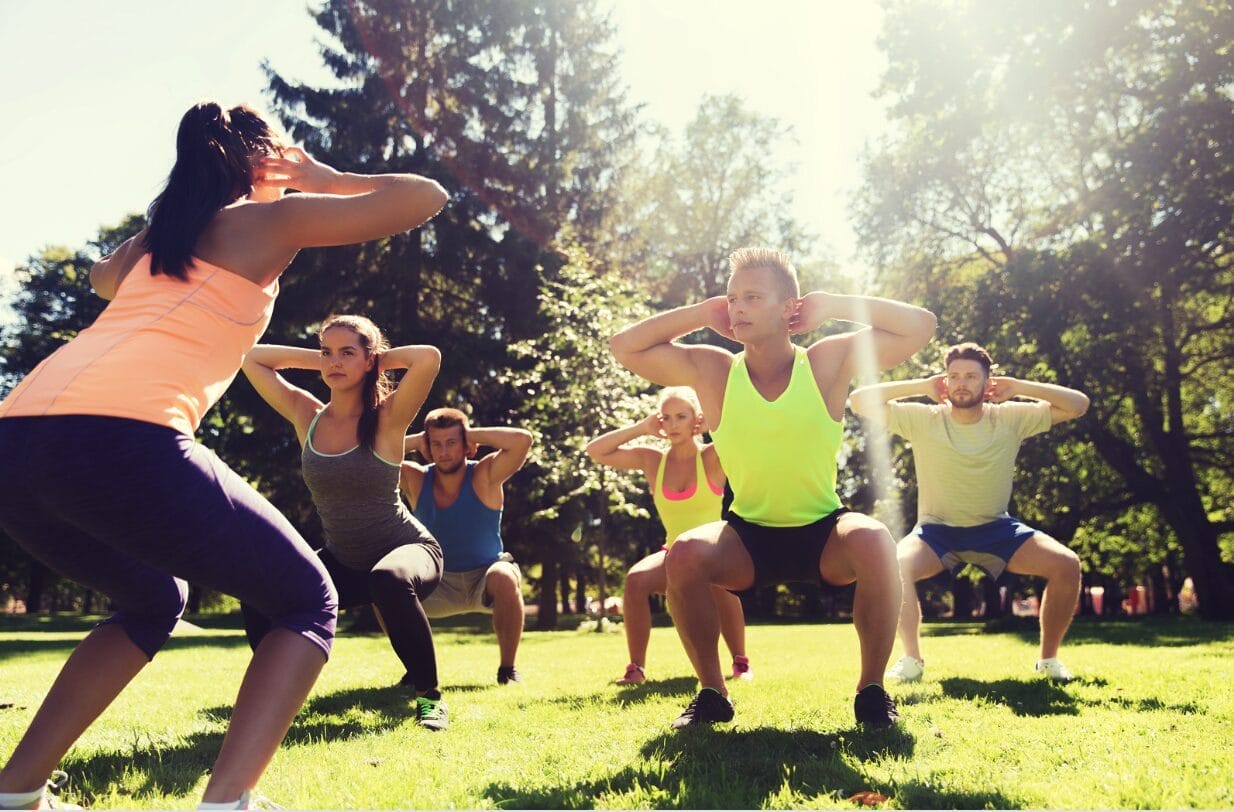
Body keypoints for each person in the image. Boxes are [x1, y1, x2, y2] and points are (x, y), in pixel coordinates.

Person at [0, 100, 447, 810]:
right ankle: (228, 801)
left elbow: (100, 278)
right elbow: (425, 197)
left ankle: (16, 791)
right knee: (306, 599)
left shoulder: (161, 243)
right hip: (123, 432)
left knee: (152, 597)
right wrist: (321, 177)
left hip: (16, 440)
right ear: (259, 155)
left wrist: (175, 208)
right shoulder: (271, 220)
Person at [610, 246, 936, 730]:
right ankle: (712, 694)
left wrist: (835, 305)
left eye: (752, 297)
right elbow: (624, 347)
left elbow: (920, 326)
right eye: (732, 297)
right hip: (746, 538)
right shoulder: (713, 369)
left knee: (874, 538)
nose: (737, 307)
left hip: (823, 532)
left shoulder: (827, 362)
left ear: (789, 309)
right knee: (683, 552)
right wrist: (702, 314)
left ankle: (871, 692)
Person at [239, 315, 449, 729]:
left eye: (347, 353)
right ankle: (276, 697)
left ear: (370, 360)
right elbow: (252, 358)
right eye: (327, 352)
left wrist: (372, 360)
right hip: (344, 560)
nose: (334, 363)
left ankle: (429, 698)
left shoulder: (388, 418)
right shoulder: (307, 414)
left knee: (387, 579)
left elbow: (428, 358)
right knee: (258, 586)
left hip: (407, 551)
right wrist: (327, 360)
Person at [848, 341, 1088, 682]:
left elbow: (1079, 405)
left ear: (987, 382)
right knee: (894, 565)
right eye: (954, 376)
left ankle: (1049, 661)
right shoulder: (923, 419)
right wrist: (919, 386)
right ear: (944, 382)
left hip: (998, 529)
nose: (961, 382)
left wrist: (1019, 387)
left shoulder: (1010, 418)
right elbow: (859, 400)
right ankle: (911, 660)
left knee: (1067, 565)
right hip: (936, 532)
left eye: (971, 376)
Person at [586, 386, 752, 686]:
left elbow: (744, 435)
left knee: (719, 585)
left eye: (681, 416)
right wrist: (641, 428)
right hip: (674, 555)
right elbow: (595, 451)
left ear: (695, 421)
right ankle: (636, 669)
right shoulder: (653, 461)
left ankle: (740, 661)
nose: (673, 424)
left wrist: (713, 423)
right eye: (666, 417)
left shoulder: (713, 457)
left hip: (716, 552)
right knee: (635, 580)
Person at [399, 409, 533, 685]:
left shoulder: (485, 474)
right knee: (385, 585)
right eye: (436, 444)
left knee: (505, 576)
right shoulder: (416, 479)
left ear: (467, 447)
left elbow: (522, 440)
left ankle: (507, 670)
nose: (444, 451)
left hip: (485, 578)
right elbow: (372, 456)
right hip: (437, 582)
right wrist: (417, 441)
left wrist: (469, 434)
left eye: (451, 443)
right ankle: (416, 670)